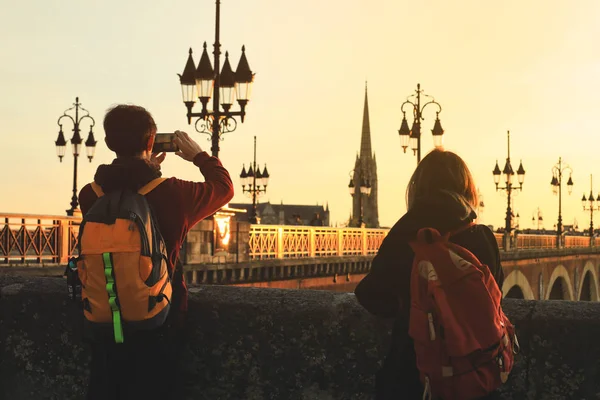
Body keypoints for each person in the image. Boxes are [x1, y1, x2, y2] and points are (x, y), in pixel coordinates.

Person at [78, 104, 234, 400]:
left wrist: (149, 169)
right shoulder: (174, 193)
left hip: (105, 321)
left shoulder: (90, 194)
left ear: (109, 143)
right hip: (161, 321)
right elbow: (223, 188)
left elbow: (124, 190)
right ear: (150, 143)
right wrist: (199, 156)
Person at [354, 149, 504, 399]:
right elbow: (496, 293)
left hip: (414, 379)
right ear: (467, 189)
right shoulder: (483, 237)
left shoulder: (405, 234)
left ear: (418, 188)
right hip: (476, 378)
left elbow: (369, 294)